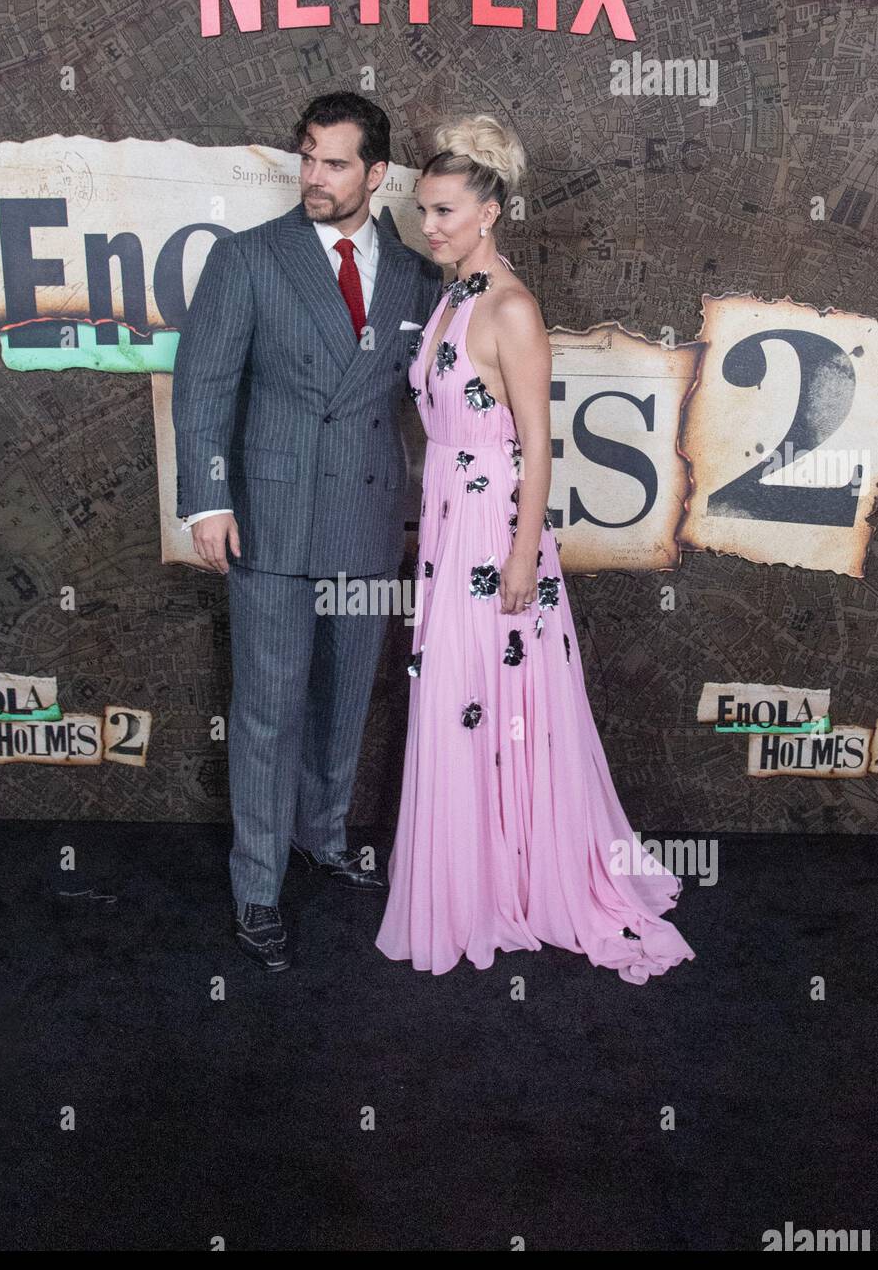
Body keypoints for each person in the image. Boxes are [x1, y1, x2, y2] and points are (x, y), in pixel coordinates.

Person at [375, 115, 696, 984]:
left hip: (494, 534)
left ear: (489, 212)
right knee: (458, 698)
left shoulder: (511, 307)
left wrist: (522, 555)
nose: (428, 227)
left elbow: (539, 445)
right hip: (449, 527)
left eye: (442, 212)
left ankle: (524, 877)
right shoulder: (452, 297)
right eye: (422, 212)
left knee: (500, 697)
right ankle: (478, 878)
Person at [172, 92, 443, 972]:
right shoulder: (249, 259)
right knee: (265, 711)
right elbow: (203, 387)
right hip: (271, 521)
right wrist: (207, 502)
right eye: (308, 158)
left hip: (366, 518)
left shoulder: (415, 276)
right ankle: (257, 887)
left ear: (378, 174)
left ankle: (321, 839)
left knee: (343, 698)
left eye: (335, 163)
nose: (315, 177)